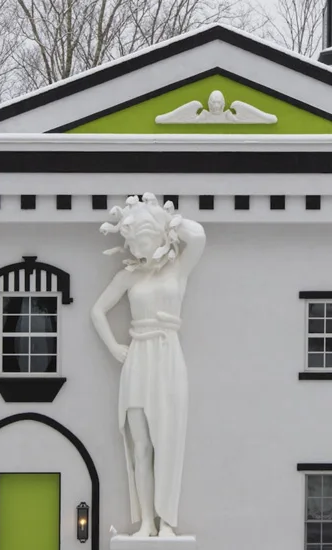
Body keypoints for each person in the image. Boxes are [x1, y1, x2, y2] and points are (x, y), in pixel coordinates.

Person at [91, 194, 206, 537]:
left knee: (168, 441)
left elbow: (198, 238)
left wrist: (167, 219)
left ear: (159, 237)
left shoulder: (178, 269)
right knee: (140, 445)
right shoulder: (128, 277)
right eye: (135, 241)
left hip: (167, 354)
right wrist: (114, 347)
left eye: (146, 239)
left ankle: (167, 522)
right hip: (138, 356)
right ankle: (146, 522)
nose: (140, 247)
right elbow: (97, 311)